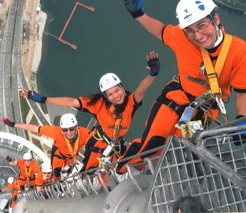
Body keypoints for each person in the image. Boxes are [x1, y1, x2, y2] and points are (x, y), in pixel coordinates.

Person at [116, 0, 246, 173]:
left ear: (215, 18)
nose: (198, 36)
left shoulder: (240, 52)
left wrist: (241, 119)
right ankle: (124, 173)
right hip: (175, 98)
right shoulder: (182, 37)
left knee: (177, 151)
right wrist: (138, 13)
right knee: (151, 144)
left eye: (202, 25)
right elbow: (161, 31)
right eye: (190, 30)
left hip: (204, 112)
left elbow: (242, 92)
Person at [19, 51, 160, 171]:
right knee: (89, 171)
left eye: (117, 90)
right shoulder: (98, 104)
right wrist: (43, 99)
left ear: (122, 88)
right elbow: (71, 102)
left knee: (131, 160)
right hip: (98, 144)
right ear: (105, 96)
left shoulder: (131, 101)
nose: (116, 96)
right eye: (110, 94)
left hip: (116, 143)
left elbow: (141, 88)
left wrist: (152, 75)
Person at [1, 113, 92, 180]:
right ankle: (56, 185)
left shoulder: (84, 133)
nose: (69, 132)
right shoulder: (56, 132)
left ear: (76, 127)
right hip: (58, 155)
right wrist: (12, 124)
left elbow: (94, 145)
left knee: (67, 173)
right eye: (65, 130)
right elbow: (34, 128)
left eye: (71, 129)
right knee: (56, 174)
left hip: (71, 157)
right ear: (61, 129)